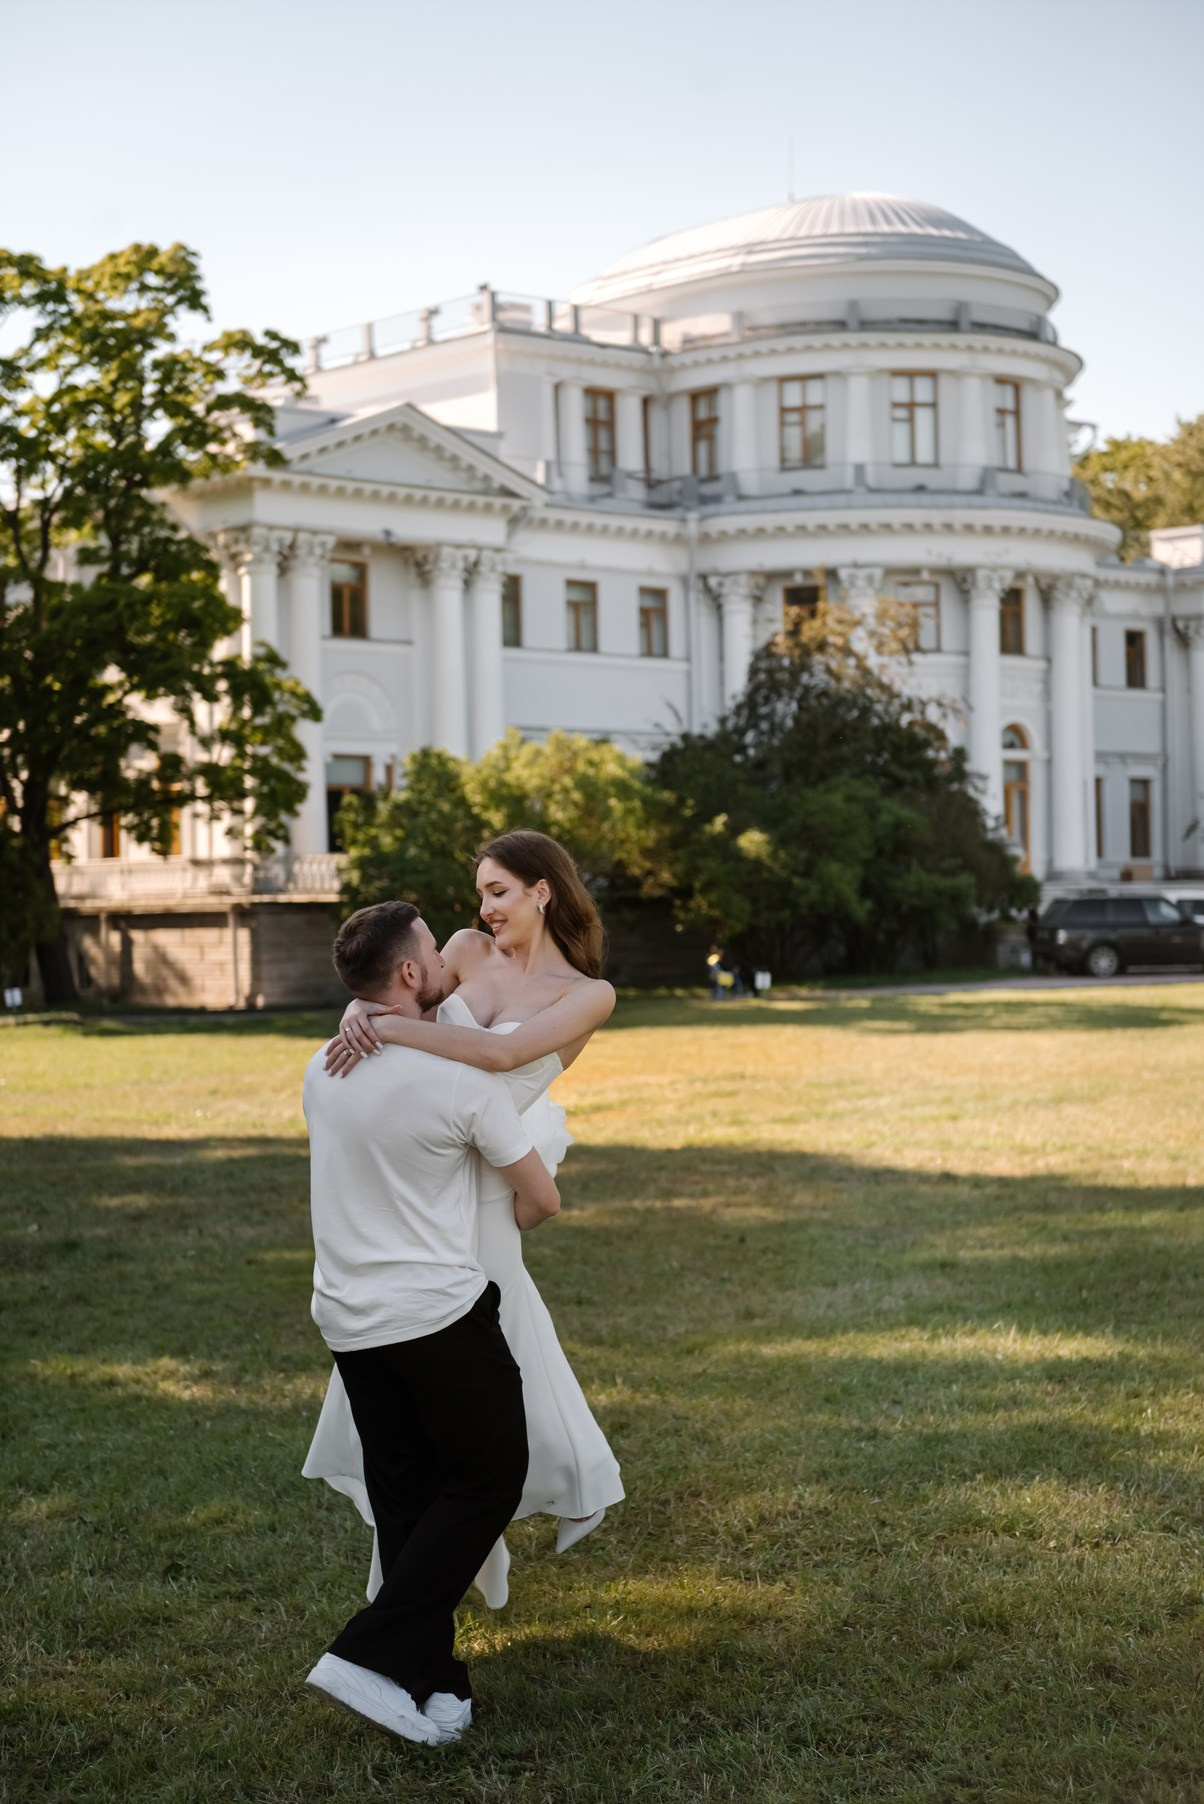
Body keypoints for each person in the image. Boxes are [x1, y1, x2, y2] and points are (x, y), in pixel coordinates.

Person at [307, 831, 623, 1602]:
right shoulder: (465, 951)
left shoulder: (589, 995)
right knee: (421, 1365)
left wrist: (388, 1030)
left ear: (542, 890)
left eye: (498, 891)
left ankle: (495, 1520)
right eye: (481, 892)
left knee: (490, 1353)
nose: (483, 909)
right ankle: (426, 1574)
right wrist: (360, 1010)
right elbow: (398, 988)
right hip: (426, 1169)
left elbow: (503, 1059)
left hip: (490, 1182)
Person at [302, 899, 561, 1747]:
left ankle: (434, 1679)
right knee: (490, 1477)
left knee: (406, 1494)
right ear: (411, 974)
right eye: (433, 955)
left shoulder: (322, 1068)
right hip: (437, 1316)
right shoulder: (463, 1083)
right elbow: (542, 1199)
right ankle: (363, 1652)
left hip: (347, 1320)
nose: (449, 962)